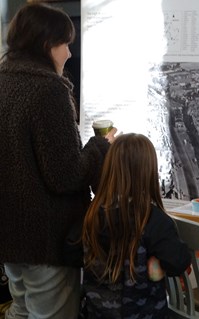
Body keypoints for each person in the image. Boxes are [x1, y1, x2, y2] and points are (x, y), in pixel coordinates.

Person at [0, 3, 117, 318]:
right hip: (46, 237)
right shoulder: (49, 89)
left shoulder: (4, 81)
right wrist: (100, 146)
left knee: (21, 310)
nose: (68, 54)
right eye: (65, 44)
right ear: (46, 44)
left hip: (10, 235)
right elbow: (66, 175)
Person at [81, 133, 191, 319]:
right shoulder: (152, 219)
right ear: (148, 172)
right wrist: (156, 264)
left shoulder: (93, 215)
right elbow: (177, 263)